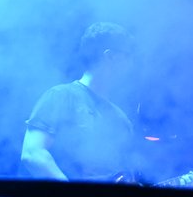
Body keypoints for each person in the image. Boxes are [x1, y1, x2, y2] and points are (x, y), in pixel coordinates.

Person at [18, 22, 144, 182]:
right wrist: (74, 193)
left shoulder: (121, 118)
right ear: (110, 56)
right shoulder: (61, 96)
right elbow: (32, 154)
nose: (131, 64)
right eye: (128, 55)